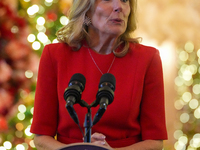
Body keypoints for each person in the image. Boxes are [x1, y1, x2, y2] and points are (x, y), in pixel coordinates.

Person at [30, 0, 168, 149]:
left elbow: (155, 142)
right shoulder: (54, 55)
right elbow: (41, 138)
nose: (119, 7)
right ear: (86, 9)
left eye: (124, 0)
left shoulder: (148, 58)